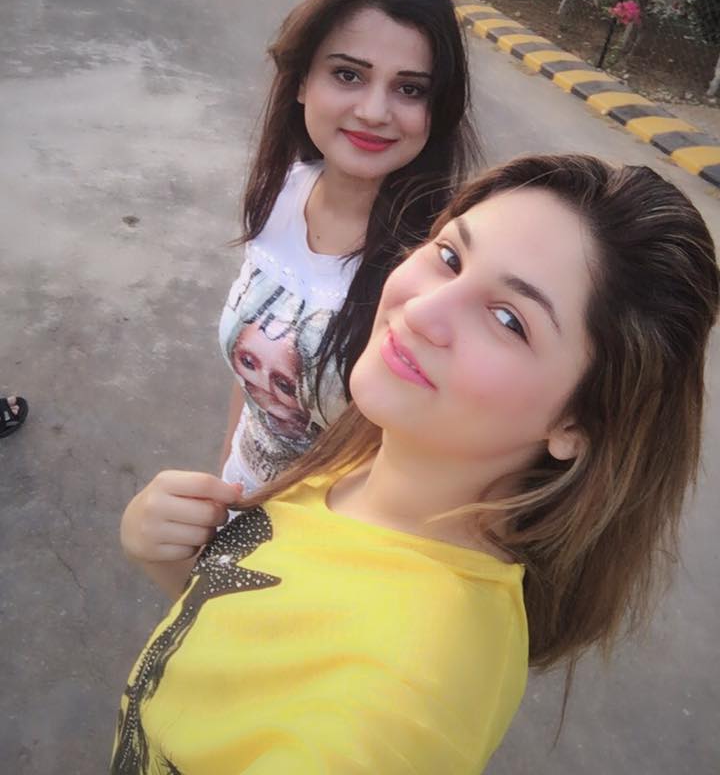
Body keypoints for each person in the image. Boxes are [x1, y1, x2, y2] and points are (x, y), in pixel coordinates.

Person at [114, 154, 718, 775]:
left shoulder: (393, 703)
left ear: (576, 424)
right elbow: (248, 649)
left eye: (508, 320)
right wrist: (172, 561)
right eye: (450, 257)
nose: (423, 311)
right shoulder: (372, 457)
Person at [216, 0, 479, 495]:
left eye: (410, 89)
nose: (374, 112)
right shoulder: (282, 192)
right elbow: (250, 395)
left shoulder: (440, 270)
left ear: (437, 110)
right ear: (301, 82)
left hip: (320, 538)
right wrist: (222, 490)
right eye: (348, 75)